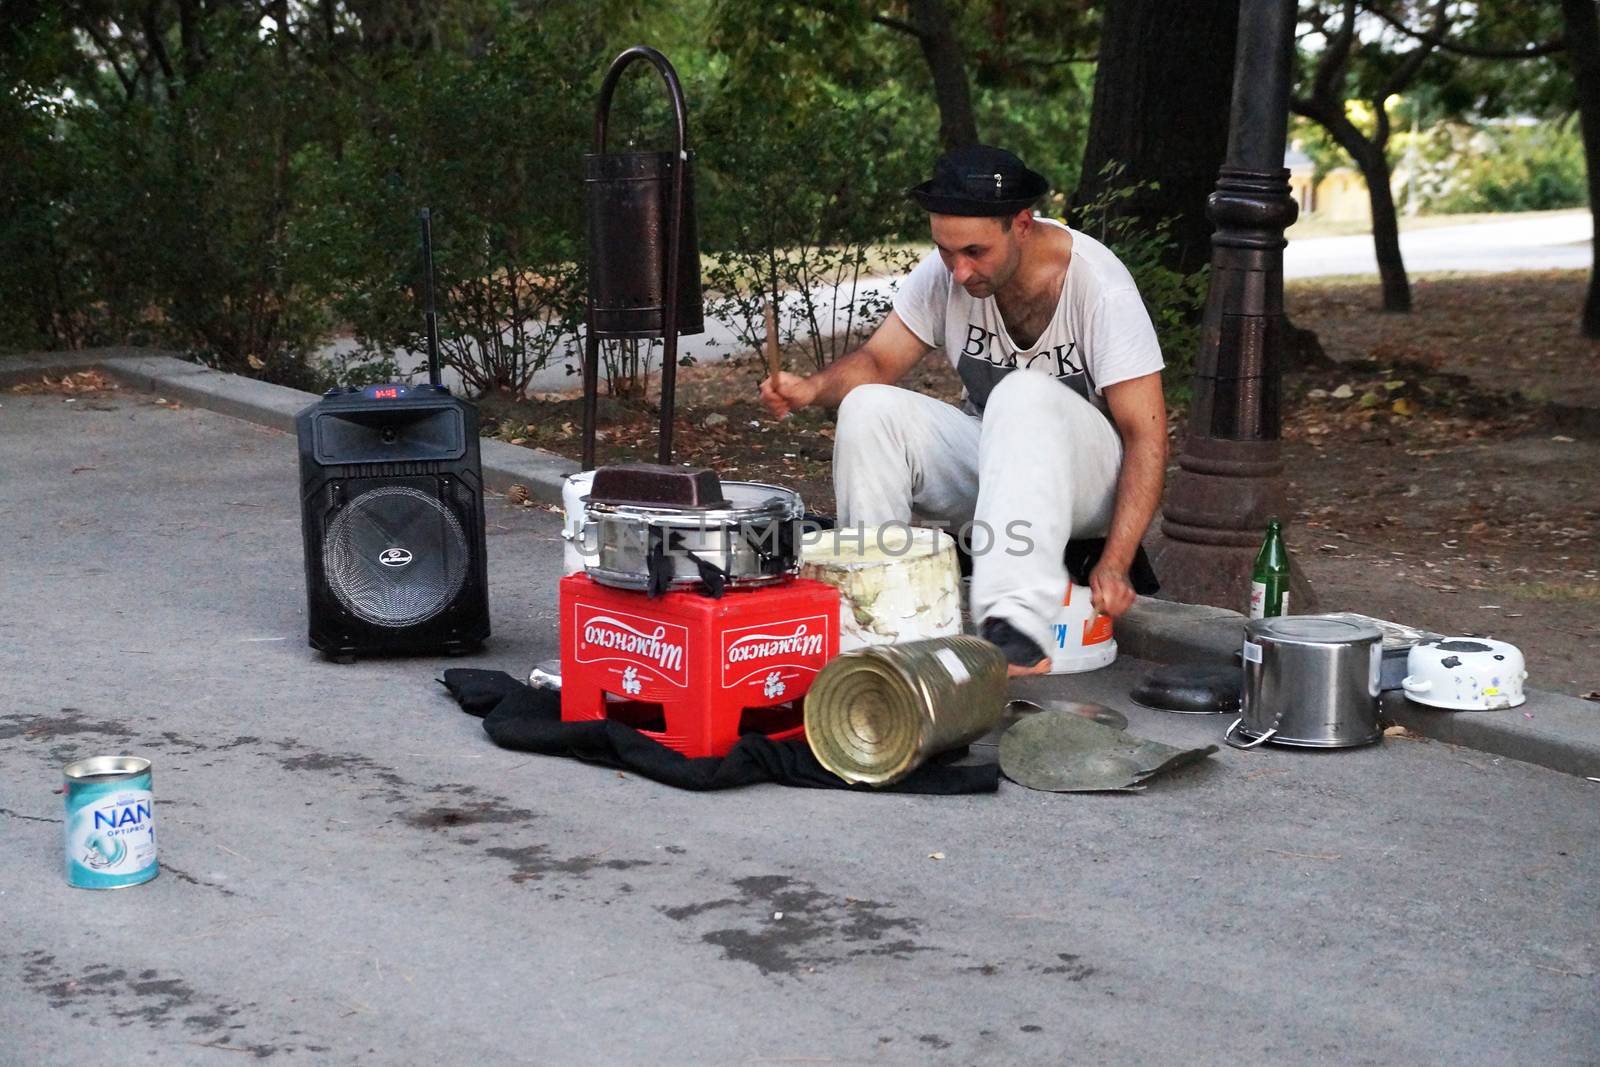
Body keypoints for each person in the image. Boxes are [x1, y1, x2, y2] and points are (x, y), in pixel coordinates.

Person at [759, 144, 1167, 676]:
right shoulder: (948, 271)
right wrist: (810, 389)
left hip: (1087, 485)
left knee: (1021, 393)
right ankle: (872, 623)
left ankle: (1013, 624)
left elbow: (1147, 437)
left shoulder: (1099, 287)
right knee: (868, 408)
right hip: (1000, 475)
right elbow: (879, 361)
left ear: (1022, 224)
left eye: (975, 251)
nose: (958, 270)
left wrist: (1115, 561)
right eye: (946, 251)